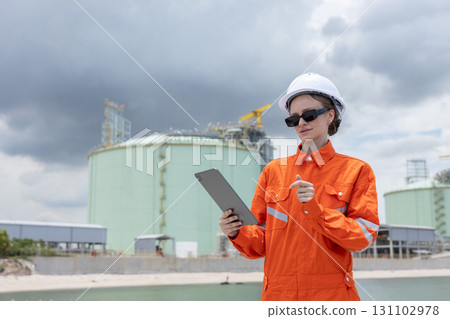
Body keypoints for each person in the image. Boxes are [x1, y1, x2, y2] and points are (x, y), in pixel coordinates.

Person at [219, 73, 379, 301]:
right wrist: (236, 232)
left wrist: (318, 212)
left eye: (309, 115)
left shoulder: (356, 170)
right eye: (293, 119)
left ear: (330, 115)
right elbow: (259, 245)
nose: (301, 123)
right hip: (279, 298)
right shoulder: (273, 172)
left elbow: (362, 237)